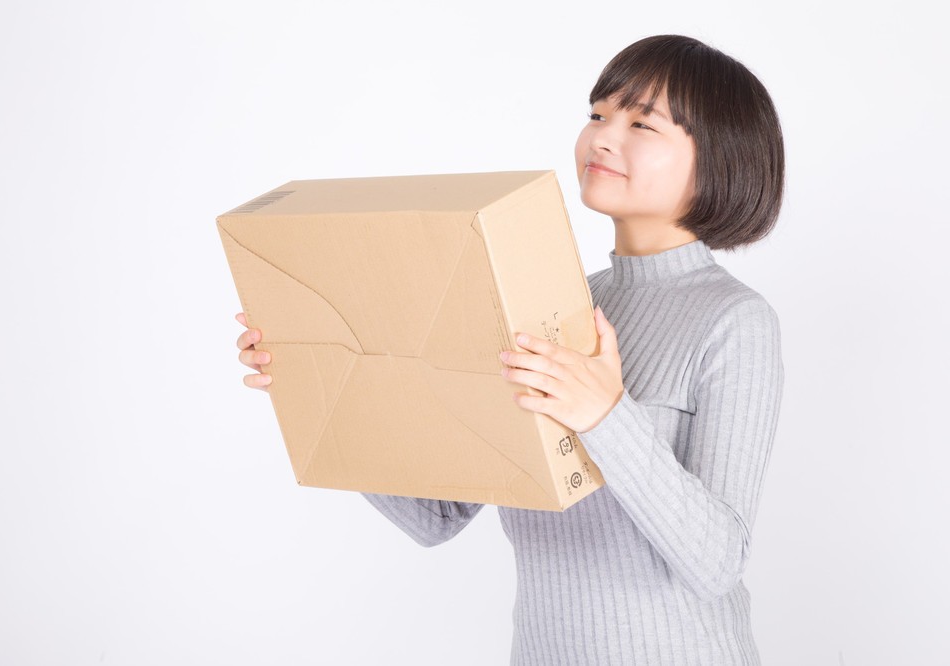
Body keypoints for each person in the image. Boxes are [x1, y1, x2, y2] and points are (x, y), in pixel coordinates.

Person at [234, 34, 785, 665]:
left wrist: (606, 415)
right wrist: (315, 380)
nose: (603, 138)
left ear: (719, 158)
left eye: (641, 123)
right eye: (597, 114)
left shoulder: (735, 321)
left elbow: (718, 563)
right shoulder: (549, 303)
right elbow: (437, 517)